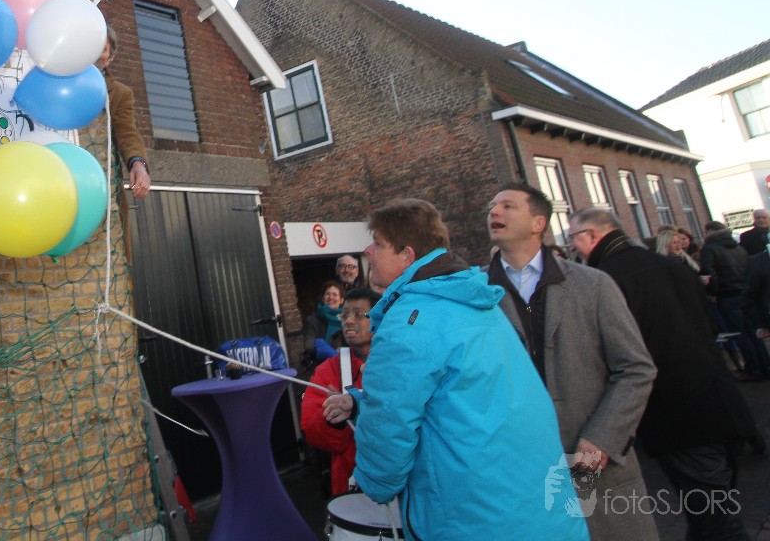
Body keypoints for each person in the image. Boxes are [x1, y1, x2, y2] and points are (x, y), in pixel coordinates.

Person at [324, 198, 588, 540]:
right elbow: (461, 393)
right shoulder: (475, 302)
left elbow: (389, 422)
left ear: (406, 256)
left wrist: (374, 483)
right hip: (537, 506)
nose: (368, 251)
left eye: (378, 243)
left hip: (474, 515)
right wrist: (360, 402)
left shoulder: (410, 319)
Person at [568, 208, 758, 541]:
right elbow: (708, 324)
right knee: (710, 514)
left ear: (592, 235)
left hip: (676, 411)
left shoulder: (603, 280)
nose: (573, 248)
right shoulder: (671, 266)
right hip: (717, 399)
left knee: (716, 519)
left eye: (573, 239)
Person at [485, 184, 658, 541]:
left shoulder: (593, 284)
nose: (494, 212)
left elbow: (635, 368)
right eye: (492, 206)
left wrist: (603, 437)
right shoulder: (477, 295)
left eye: (507, 206)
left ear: (538, 223)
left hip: (592, 461)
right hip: (516, 468)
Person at [301, 286, 380, 496]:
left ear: (379, 318)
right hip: (352, 485)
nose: (349, 321)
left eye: (358, 314)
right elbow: (311, 430)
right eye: (344, 315)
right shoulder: (329, 370)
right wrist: (333, 417)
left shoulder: (400, 361)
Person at [700, 221, 769, 381]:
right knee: (754, 332)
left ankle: (753, 369)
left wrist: (712, 291)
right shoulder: (738, 247)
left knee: (740, 333)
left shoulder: (709, 249)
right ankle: (765, 366)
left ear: (710, 231)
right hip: (745, 294)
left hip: (727, 295)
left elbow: (709, 274)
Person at [98, 26, 151, 203]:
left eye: (103, 49)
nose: (96, 54)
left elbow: (127, 132)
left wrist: (138, 163)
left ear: (110, 58)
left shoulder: (121, 94)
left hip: (101, 183)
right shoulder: (57, 80)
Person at [302, 280, 346, 352]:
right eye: (327, 294)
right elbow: (309, 346)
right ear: (323, 298)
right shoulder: (312, 320)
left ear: (341, 300)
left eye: (335, 294)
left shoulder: (348, 319)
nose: (330, 297)